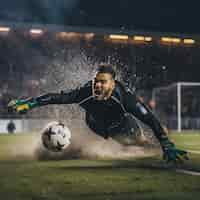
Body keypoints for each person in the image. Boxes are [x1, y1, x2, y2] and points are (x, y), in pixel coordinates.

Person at [8, 64, 188, 163]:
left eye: (102, 82)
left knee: (138, 142)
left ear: (112, 83)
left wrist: (166, 143)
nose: (97, 85)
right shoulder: (85, 93)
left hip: (122, 123)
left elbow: (149, 118)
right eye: (96, 81)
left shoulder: (125, 98)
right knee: (125, 143)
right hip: (96, 124)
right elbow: (57, 97)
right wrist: (30, 103)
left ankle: (159, 148)